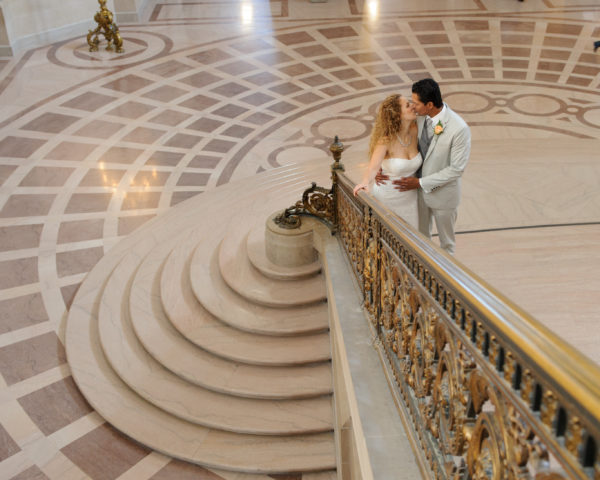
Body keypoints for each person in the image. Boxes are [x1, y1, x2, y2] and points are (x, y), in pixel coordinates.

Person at [377, 78, 471, 254]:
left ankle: (444, 279)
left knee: (447, 245)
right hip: (417, 197)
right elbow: (394, 136)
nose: (413, 106)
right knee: (421, 240)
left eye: (416, 103)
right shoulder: (418, 119)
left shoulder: (459, 129)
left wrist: (420, 183)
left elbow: (456, 169)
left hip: (443, 196)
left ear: (429, 104)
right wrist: (381, 167)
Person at [353, 94, 421, 228]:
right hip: (387, 199)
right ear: (397, 115)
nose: (413, 106)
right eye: (407, 105)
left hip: (410, 202)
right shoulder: (386, 140)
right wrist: (365, 182)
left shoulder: (415, 130)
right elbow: (373, 167)